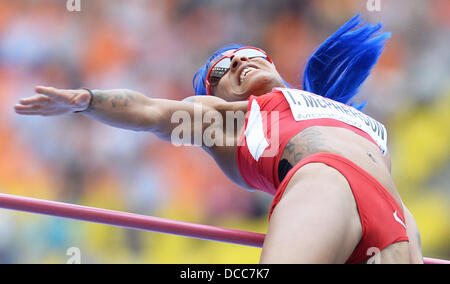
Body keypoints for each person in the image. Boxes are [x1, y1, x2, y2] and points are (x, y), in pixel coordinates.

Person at [14, 15, 423, 264]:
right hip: (325, 186)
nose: (240, 61)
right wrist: (87, 100)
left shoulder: (336, 110)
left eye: (248, 53)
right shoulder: (228, 121)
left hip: (396, 218)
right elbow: (149, 112)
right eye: (222, 69)